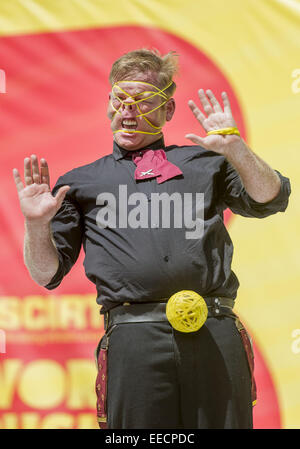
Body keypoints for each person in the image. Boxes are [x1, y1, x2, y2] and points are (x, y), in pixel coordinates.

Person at [13, 49, 291, 429]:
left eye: (142, 102)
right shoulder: (79, 183)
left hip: (214, 326)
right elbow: (46, 273)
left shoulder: (206, 163)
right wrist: (35, 224)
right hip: (132, 335)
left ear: (168, 111)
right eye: (120, 100)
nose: (128, 112)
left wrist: (234, 149)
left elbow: (271, 198)